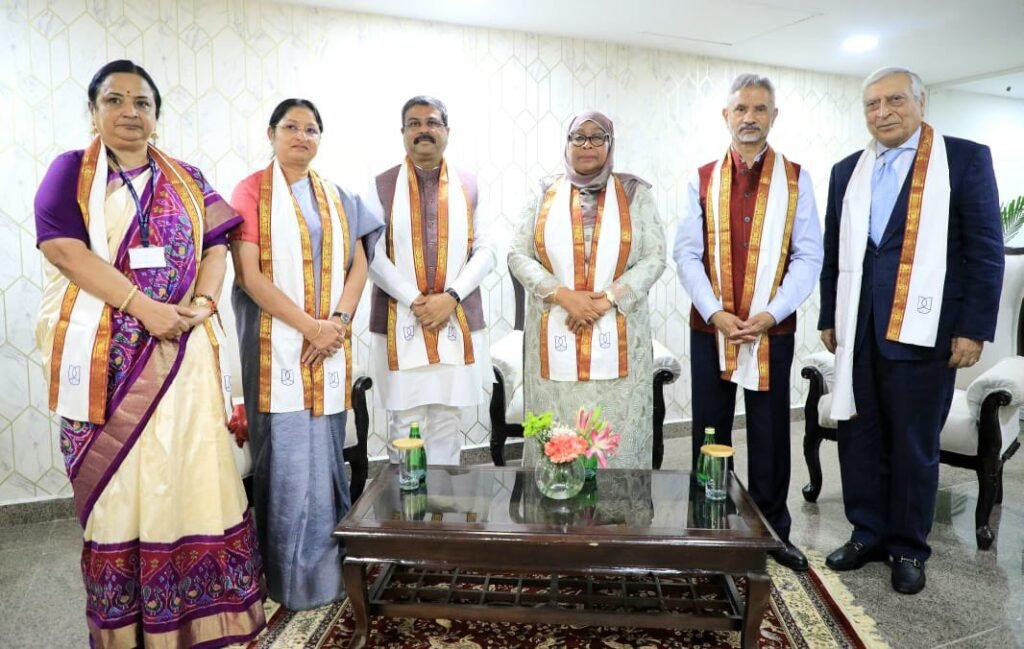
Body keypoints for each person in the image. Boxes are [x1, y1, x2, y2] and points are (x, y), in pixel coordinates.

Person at [33, 60, 264, 648]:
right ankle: (133, 626)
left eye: (142, 102)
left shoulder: (187, 177)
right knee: (123, 489)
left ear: (157, 116)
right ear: (94, 112)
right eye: (115, 100)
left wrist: (206, 303)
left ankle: (200, 617)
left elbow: (219, 245)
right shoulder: (71, 172)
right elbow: (63, 250)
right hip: (107, 364)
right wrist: (143, 306)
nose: (129, 111)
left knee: (192, 473)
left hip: (184, 355)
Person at [819, 66, 1003, 594]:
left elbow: (985, 250)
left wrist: (973, 329)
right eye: (872, 104)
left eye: (894, 100)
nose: (883, 112)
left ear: (921, 102)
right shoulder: (846, 171)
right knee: (859, 436)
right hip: (858, 327)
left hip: (926, 331)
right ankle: (866, 532)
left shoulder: (963, 160)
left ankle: (907, 547)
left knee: (913, 443)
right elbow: (837, 252)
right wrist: (830, 314)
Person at [230, 98, 383, 609]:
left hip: (329, 346)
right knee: (289, 460)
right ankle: (289, 579)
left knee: (326, 457)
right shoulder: (251, 191)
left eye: (312, 128)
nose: (302, 136)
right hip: (278, 348)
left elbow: (358, 265)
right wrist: (310, 328)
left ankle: (332, 568)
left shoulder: (338, 197)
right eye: (291, 127)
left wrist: (336, 323)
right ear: (270, 133)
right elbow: (250, 276)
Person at [674, 74, 823, 572]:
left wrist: (769, 313)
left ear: (774, 116)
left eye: (760, 109)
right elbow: (687, 254)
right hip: (710, 330)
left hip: (770, 331)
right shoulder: (700, 178)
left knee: (770, 433)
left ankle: (773, 533)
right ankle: (712, 524)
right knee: (710, 431)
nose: (750, 118)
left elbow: (808, 257)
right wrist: (716, 312)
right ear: (726, 116)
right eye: (741, 109)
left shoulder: (796, 179)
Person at [509, 110, 666, 468]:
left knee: (615, 445)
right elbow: (518, 253)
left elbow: (656, 257)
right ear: (566, 144)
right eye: (578, 137)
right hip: (554, 335)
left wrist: (605, 300)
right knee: (556, 442)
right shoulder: (543, 192)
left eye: (598, 137)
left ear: (611, 145)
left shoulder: (635, 194)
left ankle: (619, 520)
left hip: (619, 336)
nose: (587, 145)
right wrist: (565, 297)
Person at [365, 96, 498, 465]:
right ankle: (407, 514)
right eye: (414, 123)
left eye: (432, 122)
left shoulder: (470, 185)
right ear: (403, 132)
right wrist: (415, 300)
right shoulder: (380, 185)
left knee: (447, 419)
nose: (424, 129)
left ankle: (444, 513)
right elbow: (371, 253)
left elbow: (486, 250)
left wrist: (450, 297)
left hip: (457, 316)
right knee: (405, 421)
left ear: (447, 131)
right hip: (400, 317)